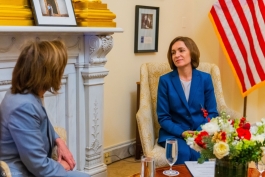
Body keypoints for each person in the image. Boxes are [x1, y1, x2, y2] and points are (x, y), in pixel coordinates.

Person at [0, 40, 90, 177]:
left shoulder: (23, 93)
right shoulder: (24, 106)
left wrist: (59, 141)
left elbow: (40, 124)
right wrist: (61, 167)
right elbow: (38, 164)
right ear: (49, 74)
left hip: (31, 166)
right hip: (21, 171)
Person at [157, 36, 219, 164]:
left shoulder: (205, 79)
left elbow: (212, 113)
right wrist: (183, 133)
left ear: (192, 52)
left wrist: (199, 131)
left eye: (181, 50)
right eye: (173, 52)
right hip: (174, 133)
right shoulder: (165, 81)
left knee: (198, 153)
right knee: (183, 152)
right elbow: (163, 117)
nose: (176, 55)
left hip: (199, 131)